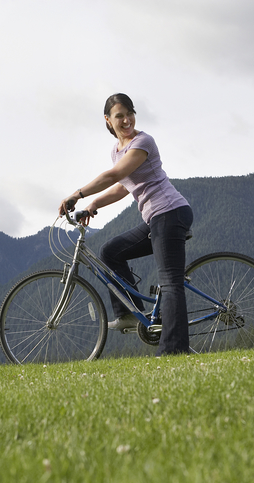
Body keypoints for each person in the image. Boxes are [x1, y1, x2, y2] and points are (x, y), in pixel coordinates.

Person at [59, 93, 194, 355]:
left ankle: (174, 350)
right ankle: (130, 313)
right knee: (110, 252)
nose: (126, 119)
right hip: (155, 218)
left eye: (129, 113)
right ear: (108, 121)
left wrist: (78, 194)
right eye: (119, 115)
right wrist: (93, 205)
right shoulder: (117, 150)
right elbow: (123, 187)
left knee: (170, 282)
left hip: (170, 212)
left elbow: (116, 175)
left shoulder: (143, 142)